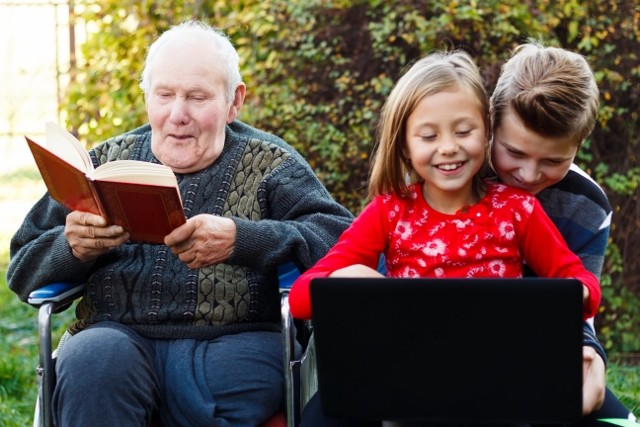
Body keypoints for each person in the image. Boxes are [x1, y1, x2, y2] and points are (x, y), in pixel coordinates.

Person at [7, 20, 353, 427]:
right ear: (147, 98)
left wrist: (244, 240)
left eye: (197, 97)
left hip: (232, 347)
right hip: (116, 339)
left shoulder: (273, 166)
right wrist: (72, 248)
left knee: (236, 376)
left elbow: (341, 238)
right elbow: (22, 268)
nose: (178, 115)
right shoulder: (103, 163)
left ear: (233, 101)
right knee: (93, 360)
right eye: (165, 95)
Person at [287, 49, 602, 426]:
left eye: (464, 131)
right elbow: (304, 297)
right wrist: (345, 280)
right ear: (405, 145)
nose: (449, 147)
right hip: (407, 377)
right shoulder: (388, 212)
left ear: (485, 134)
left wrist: (573, 297)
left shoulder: (518, 209)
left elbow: (580, 281)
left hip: (499, 376)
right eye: (428, 135)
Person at [490, 42, 636, 424]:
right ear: (491, 124)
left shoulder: (587, 206)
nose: (529, 175)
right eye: (513, 152)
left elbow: (577, 307)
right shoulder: (448, 180)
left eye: (554, 160)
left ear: (578, 146)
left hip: (541, 359)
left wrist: (592, 356)